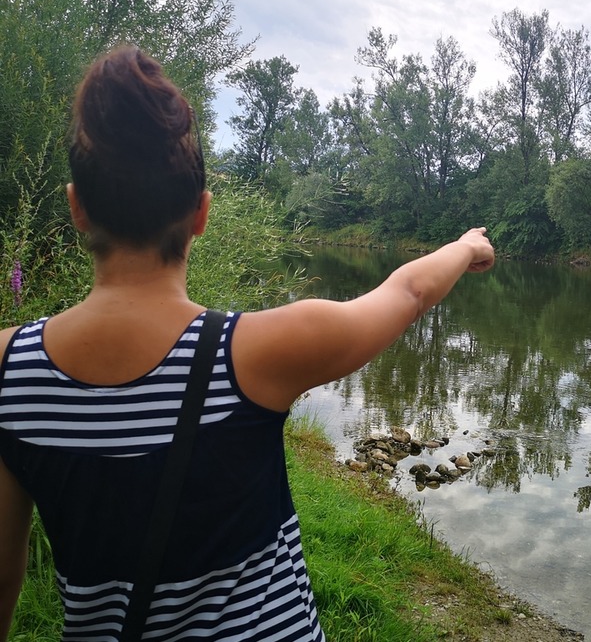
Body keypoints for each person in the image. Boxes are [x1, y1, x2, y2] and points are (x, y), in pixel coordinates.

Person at [0, 45, 494, 641]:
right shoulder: (252, 354)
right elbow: (408, 292)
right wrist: (466, 246)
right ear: (201, 214)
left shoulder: (8, 371)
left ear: (77, 208)